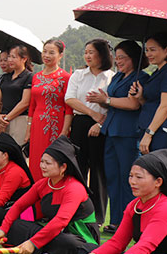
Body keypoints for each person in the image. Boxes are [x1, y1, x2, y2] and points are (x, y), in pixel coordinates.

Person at [67, 151, 167, 254]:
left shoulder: (164, 208)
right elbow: (116, 243)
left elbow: (145, 245)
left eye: (139, 177)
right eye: (130, 176)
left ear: (158, 182)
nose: (132, 181)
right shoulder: (134, 206)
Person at [0, 136, 100, 254]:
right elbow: (19, 205)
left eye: (48, 163)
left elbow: (61, 221)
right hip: (53, 233)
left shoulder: (74, 188)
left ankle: (46, 252)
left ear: (63, 167)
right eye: (42, 162)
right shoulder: (43, 184)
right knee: (16, 225)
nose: (42, 166)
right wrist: (3, 229)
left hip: (78, 236)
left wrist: (32, 242)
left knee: (66, 242)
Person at [87, 40, 148, 232]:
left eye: (123, 57)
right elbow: (111, 101)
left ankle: (129, 221)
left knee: (128, 178)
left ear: (134, 59)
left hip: (128, 133)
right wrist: (102, 101)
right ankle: (115, 220)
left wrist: (107, 99)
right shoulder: (119, 77)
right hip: (111, 131)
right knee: (112, 176)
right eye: (117, 57)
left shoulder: (141, 78)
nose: (118, 61)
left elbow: (133, 104)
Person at [65, 39, 114, 226]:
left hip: (102, 125)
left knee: (98, 171)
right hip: (81, 123)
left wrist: (100, 123)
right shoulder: (78, 74)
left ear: (102, 54)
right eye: (86, 52)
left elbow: (113, 104)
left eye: (91, 52)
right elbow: (69, 98)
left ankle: (98, 217)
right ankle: (77, 211)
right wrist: (92, 113)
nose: (87, 55)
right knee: (78, 168)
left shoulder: (111, 77)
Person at [27, 39, 72, 181]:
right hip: (37, 126)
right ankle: (36, 200)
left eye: (51, 52)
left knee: (53, 162)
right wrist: (28, 129)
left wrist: (64, 131)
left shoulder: (65, 77)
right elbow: (32, 105)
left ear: (60, 55)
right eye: (44, 52)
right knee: (36, 163)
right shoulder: (36, 77)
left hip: (55, 126)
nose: (46, 55)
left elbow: (68, 108)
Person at [131, 32, 167, 155]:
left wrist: (149, 134)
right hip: (148, 127)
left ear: (166, 50)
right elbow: (152, 103)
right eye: (146, 50)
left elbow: (165, 106)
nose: (148, 54)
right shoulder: (157, 72)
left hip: (159, 132)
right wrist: (140, 97)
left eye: (152, 50)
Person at [0, 45, 33, 147]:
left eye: (14, 57)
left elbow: (25, 102)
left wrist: (6, 119)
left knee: (17, 151)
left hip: (19, 120)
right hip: (2, 120)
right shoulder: (5, 78)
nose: (10, 60)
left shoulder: (29, 77)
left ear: (24, 59)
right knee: (0, 152)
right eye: (9, 57)